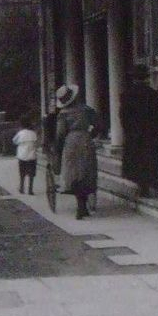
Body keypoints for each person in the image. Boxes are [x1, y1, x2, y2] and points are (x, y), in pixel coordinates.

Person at [54, 84, 99, 220]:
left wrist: (58, 148)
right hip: (86, 140)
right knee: (86, 172)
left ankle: (80, 205)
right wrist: (91, 134)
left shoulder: (63, 114)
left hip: (71, 142)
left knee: (74, 173)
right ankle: (83, 205)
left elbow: (60, 133)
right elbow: (98, 124)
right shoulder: (87, 110)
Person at [120, 64, 158, 197]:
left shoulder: (126, 95)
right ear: (146, 78)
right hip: (150, 133)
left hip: (134, 133)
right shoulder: (153, 94)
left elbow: (123, 116)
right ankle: (149, 183)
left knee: (136, 159)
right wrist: (154, 129)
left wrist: (129, 130)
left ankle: (141, 186)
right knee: (149, 159)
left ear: (133, 78)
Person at [12, 116, 39, 195]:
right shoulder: (33, 133)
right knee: (31, 174)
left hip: (22, 156)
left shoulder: (20, 133)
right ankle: (30, 189)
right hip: (32, 156)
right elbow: (36, 143)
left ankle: (21, 188)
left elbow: (14, 141)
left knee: (22, 173)